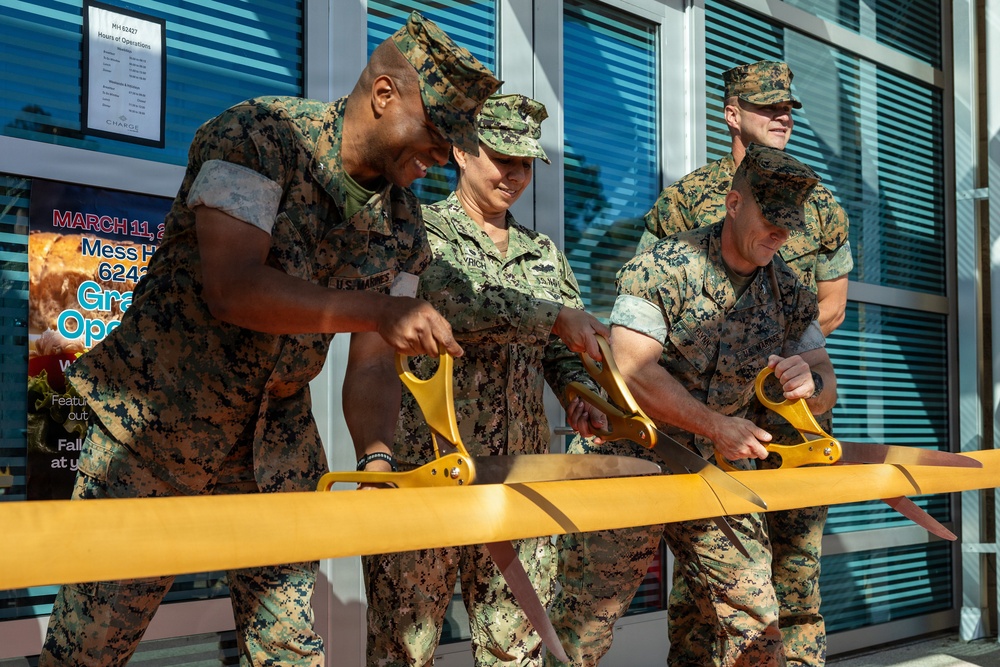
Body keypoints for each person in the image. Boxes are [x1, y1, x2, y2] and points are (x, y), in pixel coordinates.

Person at [39, 12, 501, 667]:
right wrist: (373, 311)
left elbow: (373, 364)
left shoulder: (404, 227)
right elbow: (232, 286)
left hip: (276, 451)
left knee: (290, 651)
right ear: (385, 95)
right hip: (155, 433)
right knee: (89, 647)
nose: (441, 156)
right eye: (435, 135)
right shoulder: (255, 137)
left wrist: (375, 459)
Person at [547, 144, 839, 666]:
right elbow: (634, 373)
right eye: (770, 219)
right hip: (633, 461)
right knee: (582, 630)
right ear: (733, 203)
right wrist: (716, 425)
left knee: (756, 624)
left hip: (717, 468)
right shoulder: (661, 268)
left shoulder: (791, 292)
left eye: (788, 225)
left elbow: (824, 377)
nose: (779, 235)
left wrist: (808, 384)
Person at [363, 93, 609, 666]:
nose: (515, 176)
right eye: (503, 159)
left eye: (525, 164)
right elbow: (456, 306)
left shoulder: (544, 253)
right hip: (429, 471)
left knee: (516, 649)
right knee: (405, 646)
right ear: (461, 152)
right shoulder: (419, 233)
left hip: (518, 478)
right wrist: (550, 316)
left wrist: (579, 393)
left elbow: (561, 353)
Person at [637, 60, 852, 666]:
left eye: (788, 109)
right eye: (767, 108)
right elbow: (651, 305)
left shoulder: (819, 203)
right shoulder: (686, 201)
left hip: (793, 415)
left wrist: (778, 351)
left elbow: (829, 307)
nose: (782, 118)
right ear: (731, 114)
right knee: (707, 586)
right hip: (708, 421)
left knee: (796, 578)